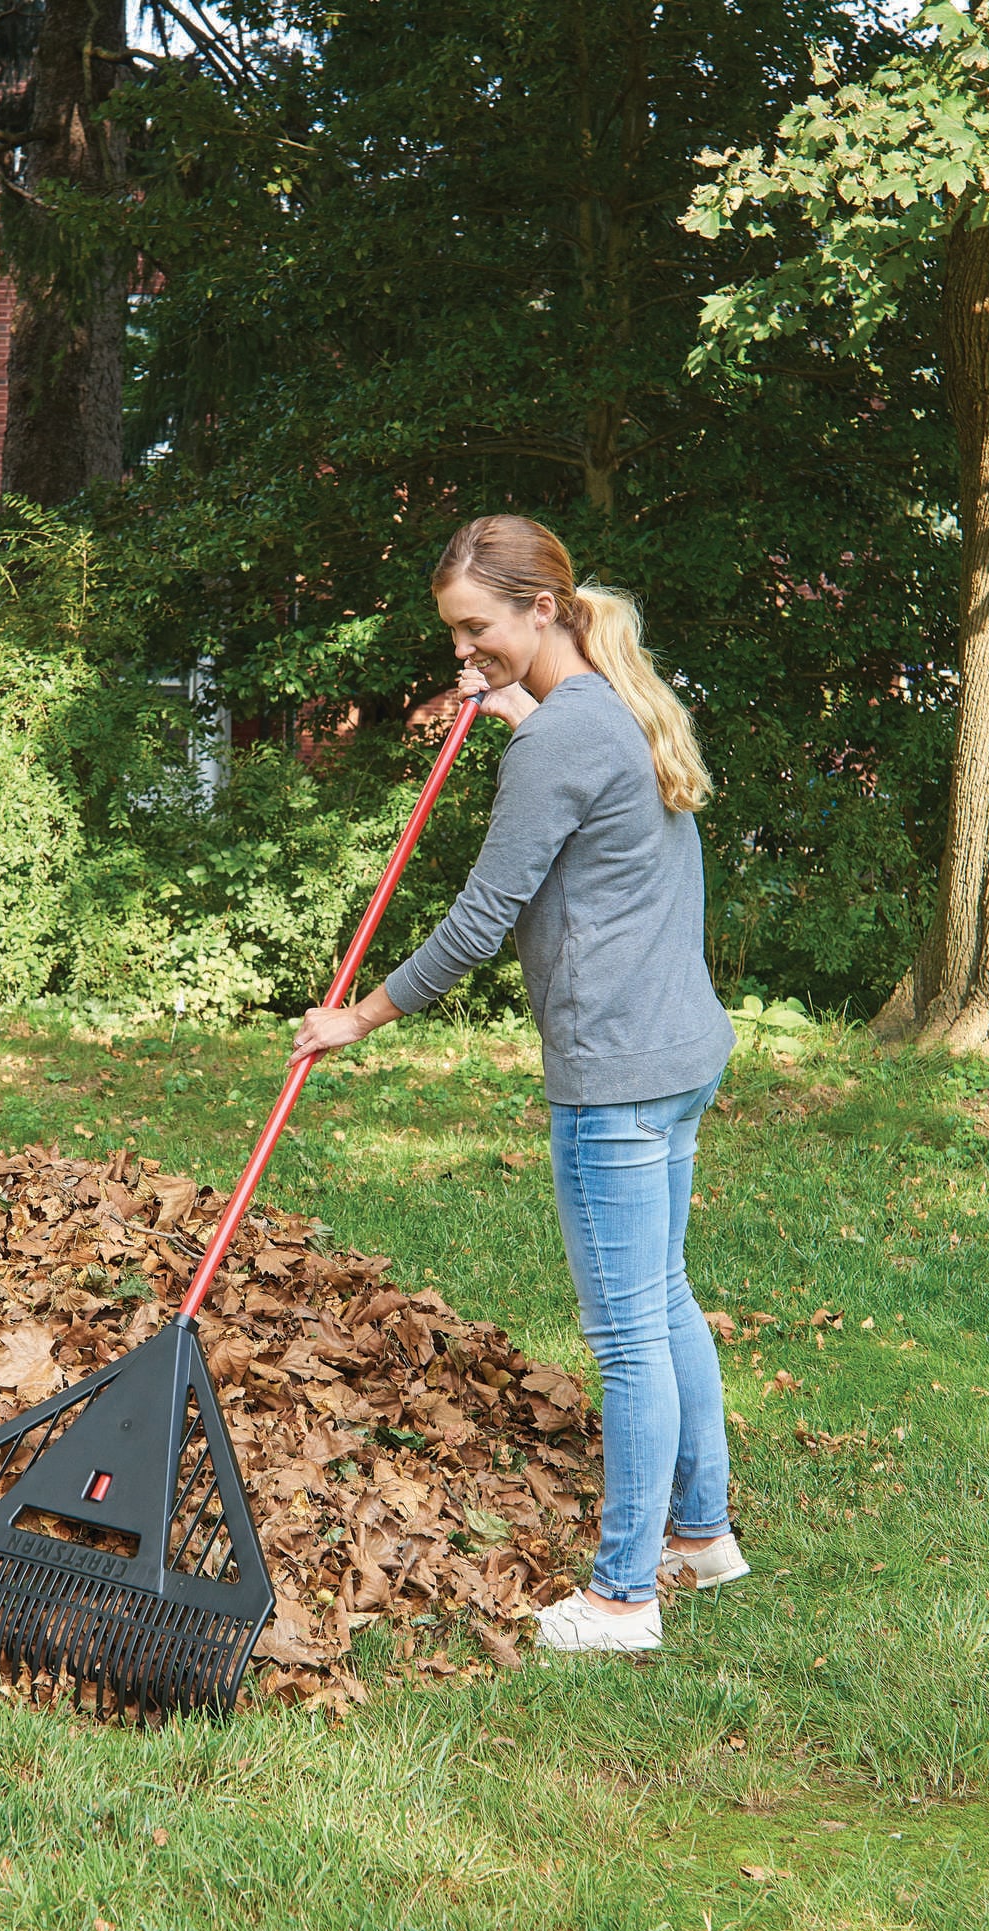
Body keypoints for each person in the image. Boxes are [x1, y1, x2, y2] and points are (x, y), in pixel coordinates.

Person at [290, 514, 743, 1653]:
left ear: (540, 608)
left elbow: (485, 916)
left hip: (617, 1072)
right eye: (454, 633)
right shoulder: (612, 705)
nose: (463, 652)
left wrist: (362, 1014)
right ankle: (703, 1535)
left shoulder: (559, 741)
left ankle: (624, 1597)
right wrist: (522, 708)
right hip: (681, 1050)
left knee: (630, 1335)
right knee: (669, 1299)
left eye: (477, 629)